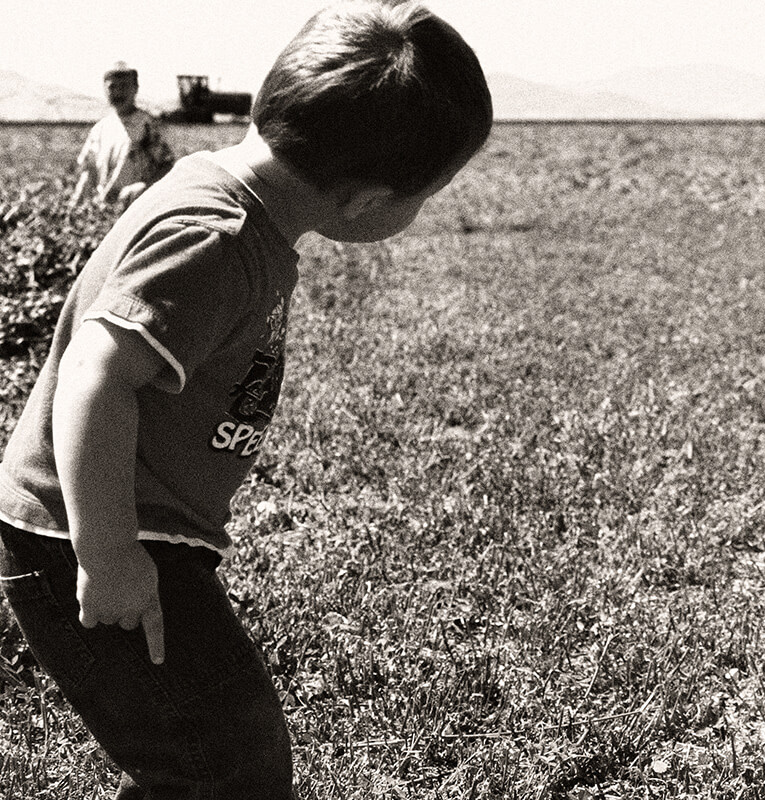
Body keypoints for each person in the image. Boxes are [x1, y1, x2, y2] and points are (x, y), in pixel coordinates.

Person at [0, 2, 492, 797]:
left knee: (200, 755)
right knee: (226, 762)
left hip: (133, 530)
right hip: (93, 535)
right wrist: (108, 555)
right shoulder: (218, 237)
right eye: (419, 199)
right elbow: (97, 373)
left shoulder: (229, 200)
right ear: (367, 200)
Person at [68, 61, 175, 208]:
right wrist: (75, 203)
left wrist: (145, 187)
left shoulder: (148, 125)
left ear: (135, 88)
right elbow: (88, 171)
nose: (118, 93)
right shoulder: (100, 129)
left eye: (124, 86)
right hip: (105, 208)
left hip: (138, 208)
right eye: (112, 87)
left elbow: (168, 166)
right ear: (105, 89)